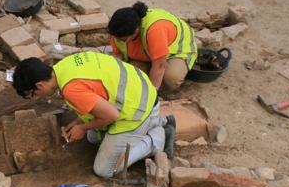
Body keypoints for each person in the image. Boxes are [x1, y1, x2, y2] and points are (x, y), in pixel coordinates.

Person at [12, 52, 175, 178]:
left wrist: (82, 127)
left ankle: (158, 138)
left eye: (33, 94)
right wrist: (79, 120)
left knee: (105, 170)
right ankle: (153, 124)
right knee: (93, 138)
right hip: (140, 92)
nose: (37, 97)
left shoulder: (70, 89)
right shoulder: (64, 66)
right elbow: (96, 92)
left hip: (138, 110)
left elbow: (111, 115)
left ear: (39, 85)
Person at [108, 2, 197, 93]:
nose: (117, 41)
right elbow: (117, 55)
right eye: (116, 38)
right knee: (131, 77)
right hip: (149, 53)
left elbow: (160, 66)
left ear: (136, 30)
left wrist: (151, 94)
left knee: (171, 79)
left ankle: (168, 83)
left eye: (123, 40)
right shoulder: (118, 31)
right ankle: (151, 69)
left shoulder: (155, 30)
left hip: (176, 51)